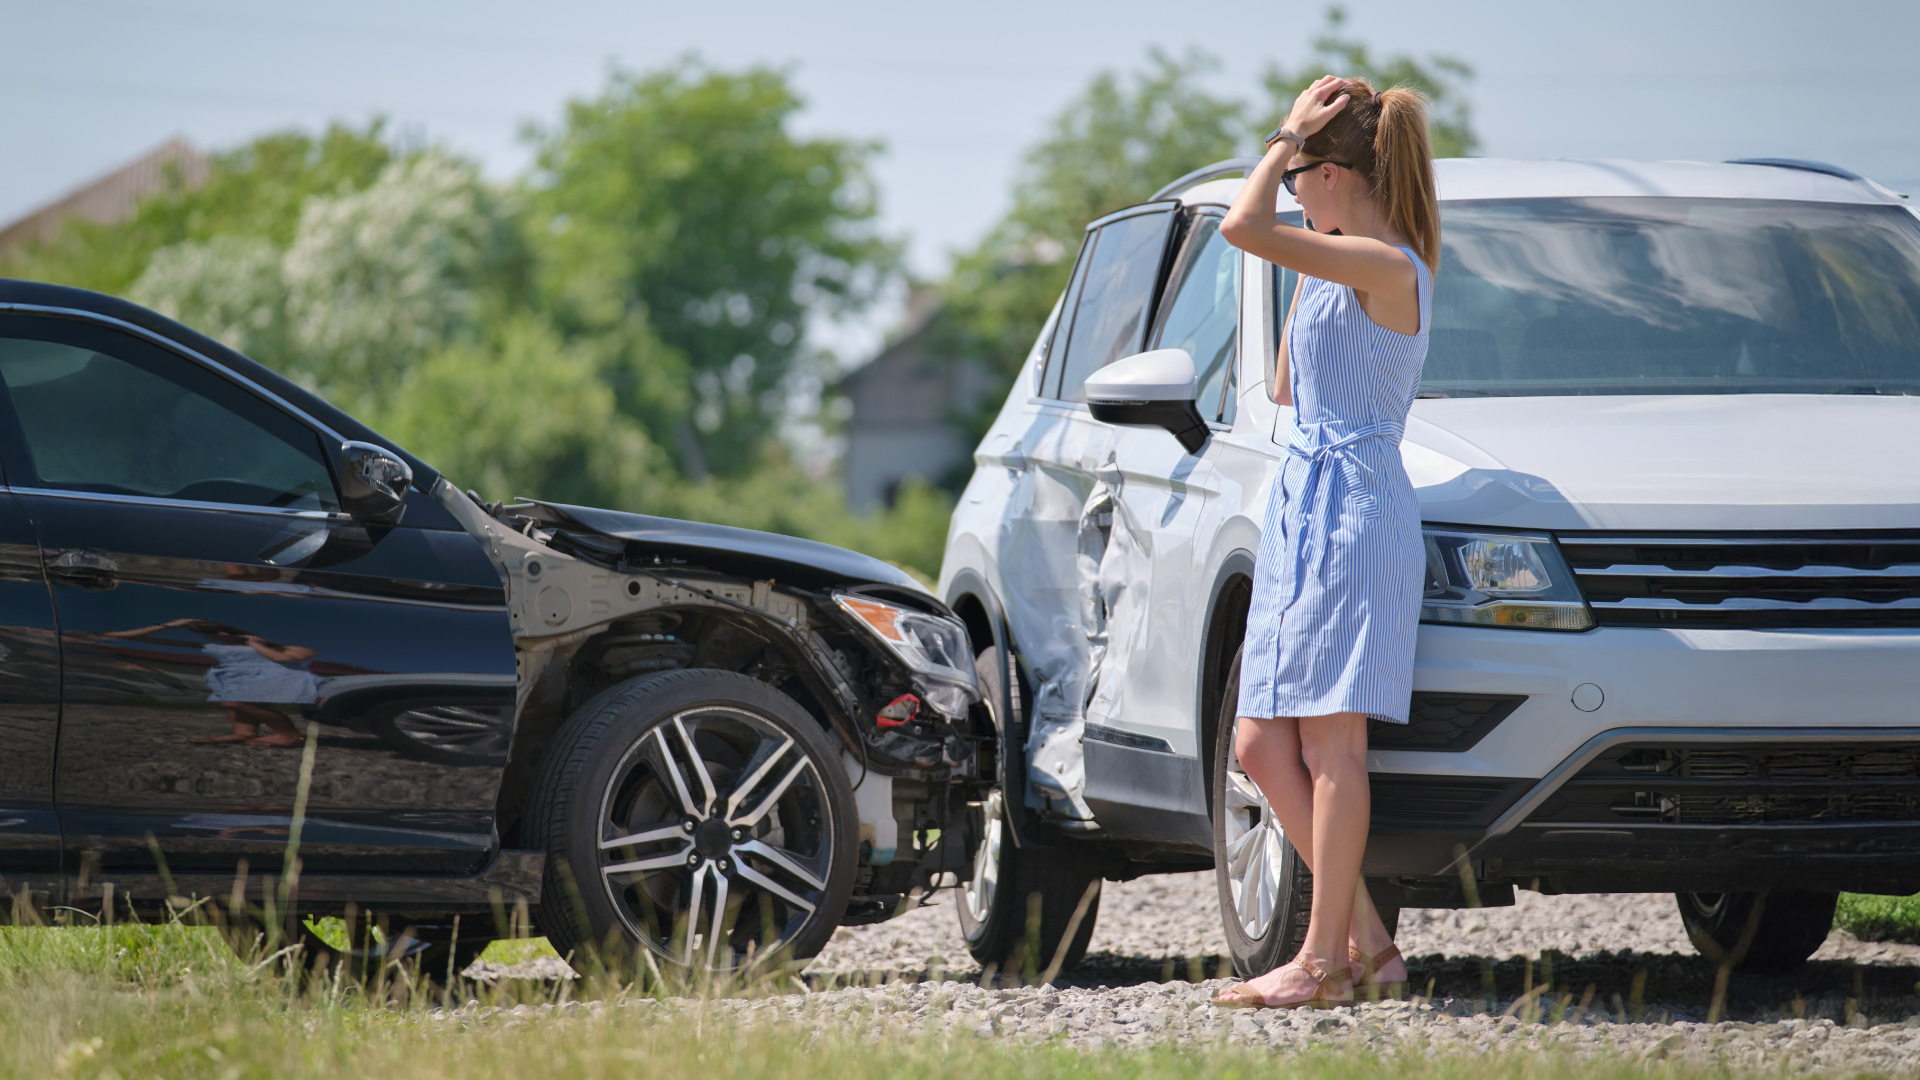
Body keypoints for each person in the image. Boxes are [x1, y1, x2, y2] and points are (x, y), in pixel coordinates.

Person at [1211, 74, 1440, 1008]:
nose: (1290, 185)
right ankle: (1370, 946)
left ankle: (1320, 963)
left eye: (1301, 171)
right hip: (1305, 504)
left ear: (1332, 173)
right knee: (1260, 744)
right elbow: (1286, 387)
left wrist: (1280, 136)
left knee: (1334, 748)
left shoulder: (1393, 266)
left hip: (1356, 512)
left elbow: (1240, 227)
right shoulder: (1338, 263)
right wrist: (1310, 250)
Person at [102, 617, 318, 747]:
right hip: (243, 684)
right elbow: (125, 637)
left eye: (226, 629)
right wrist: (171, 624)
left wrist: (257, 644)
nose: (222, 634)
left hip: (278, 681)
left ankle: (290, 734)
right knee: (235, 702)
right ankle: (243, 734)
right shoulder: (217, 648)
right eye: (215, 632)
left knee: (233, 703)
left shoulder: (277, 647)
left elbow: (284, 658)